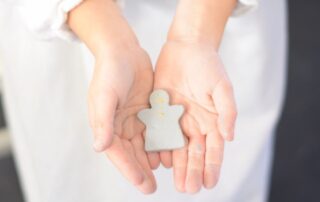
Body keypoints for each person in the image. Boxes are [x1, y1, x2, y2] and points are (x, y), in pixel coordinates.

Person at [0, 0, 287, 201]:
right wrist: (110, 39)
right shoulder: (157, 115)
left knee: (221, 173)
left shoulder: (169, 112)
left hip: (216, 21)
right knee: (80, 177)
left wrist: (196, 33)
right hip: (79, 32)